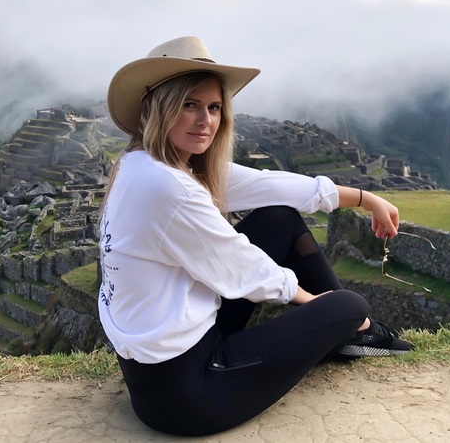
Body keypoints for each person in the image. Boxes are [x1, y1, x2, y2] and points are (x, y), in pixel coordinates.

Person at [98, 36, 413, 436]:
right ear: (158, 109)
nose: (205, 120)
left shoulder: (142, 164)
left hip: (159, 371)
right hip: (187, 395)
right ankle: (356, 329)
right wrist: (321, 306)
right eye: (189, 105)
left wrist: (366, 199)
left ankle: (347, 335)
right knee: (349, 305)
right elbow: (241, 267)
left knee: (278, 219)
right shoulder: (169, 188)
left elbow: (268, 185)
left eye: (214, 107)